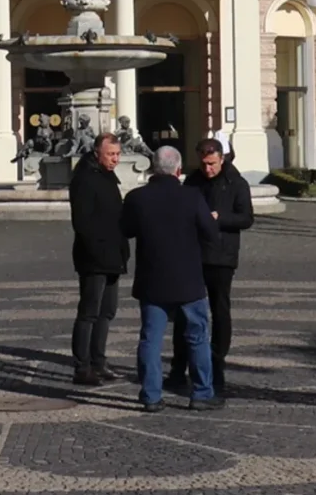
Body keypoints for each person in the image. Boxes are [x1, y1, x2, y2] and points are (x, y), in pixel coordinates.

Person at [119, 144, 221, 410]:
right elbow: (211, 234)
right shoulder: (192, 197)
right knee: (197, 337)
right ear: (178, 170)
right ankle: (201, 392)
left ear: (153, 168)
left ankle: (151, 395)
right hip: (188, 279)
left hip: (152, 279)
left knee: (151, 339)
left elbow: (126, 230)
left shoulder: (137, 198)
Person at [170, 137, 254, 396]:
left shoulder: (236, 183)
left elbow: (247, 218)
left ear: (222, 158)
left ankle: (217, 362)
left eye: (212, 164)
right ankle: (178, 367)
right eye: (204, 164)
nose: (208, 169)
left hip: (221, 255)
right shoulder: (194, 181)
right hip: (194, 254)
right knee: (185, 312)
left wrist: (220, 218)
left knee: (219, 310)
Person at [68, 133, 128, 385]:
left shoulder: (107, 176)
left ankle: (99, 361)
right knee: (89, 312)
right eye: (110, 154)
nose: (115, 159)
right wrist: (99, 248)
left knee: (107, 311)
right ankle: (82, 366)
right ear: (97, 153)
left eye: (117, 154)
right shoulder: (85, 178)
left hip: (113, 254)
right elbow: (82, 222)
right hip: (94, 256)